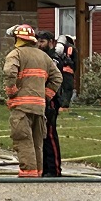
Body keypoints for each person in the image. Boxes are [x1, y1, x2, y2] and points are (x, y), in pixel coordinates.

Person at [4, 24, 62, 178]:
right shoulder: (43, 56)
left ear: (18, 38)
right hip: (39, 107)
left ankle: (28, 174)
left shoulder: (15, 54)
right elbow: (58, 78)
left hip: (21, 106)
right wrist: (46, 95)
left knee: (23, 139)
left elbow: (10, 72)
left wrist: (12, 91)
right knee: (37, 142)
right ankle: (38, 173)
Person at [36, 30, 63, 177]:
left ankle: (54, 170)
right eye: (38, 42)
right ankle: (45, 169)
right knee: (41, 135)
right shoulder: (40, 57)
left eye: (42, 42)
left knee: (50, 135)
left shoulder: (53, 59)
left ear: (51, 42)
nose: (39, 45)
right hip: (39, 100)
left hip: (51, 101)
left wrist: (48, 97)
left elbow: (57, 80)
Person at [55, 34, 77, 111]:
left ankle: (58, 105)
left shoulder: (58, 48)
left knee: (59, 89)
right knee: (68, 89)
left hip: (58, 71)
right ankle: (64, 106)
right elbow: (75, 62)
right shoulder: (72, 48)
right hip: (68, 72)